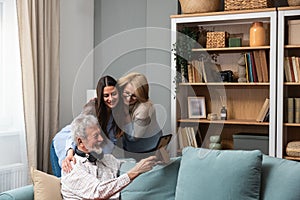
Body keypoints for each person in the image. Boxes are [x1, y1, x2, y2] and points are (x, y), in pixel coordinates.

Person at [61, 114, 157, 200]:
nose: (101, 139)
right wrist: (134, 172)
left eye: (100, 134)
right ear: (80, 141)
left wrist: (155, 159)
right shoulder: (71, 167)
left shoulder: (107, 159)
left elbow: (128, 165)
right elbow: (98, 192)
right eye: (96, 136)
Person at [58, 75, 125, 172]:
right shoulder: (92, 108)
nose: (111, 99)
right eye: (106, 95)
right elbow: (75, 132)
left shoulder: (119, 111)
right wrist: (69, 154)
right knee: (67, 174)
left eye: (113, 94)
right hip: (66, 142)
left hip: (87, 147)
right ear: (100, 96)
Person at [117, 72, 162, 154]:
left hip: (146, 147)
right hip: (131, 146)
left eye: (134, 95)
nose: (129, 98)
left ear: (141, 95)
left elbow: (133, 137)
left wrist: (126, 114)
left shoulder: (144, 108)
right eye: (126, 93)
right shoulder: (120, 99)